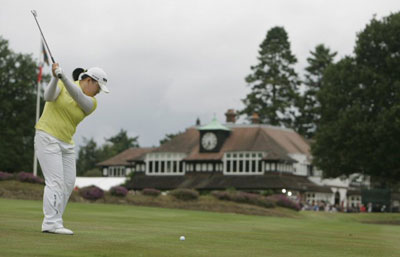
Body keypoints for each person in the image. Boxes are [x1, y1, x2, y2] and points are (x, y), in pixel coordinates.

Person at [34, 63, 109, 235]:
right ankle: (51, 223)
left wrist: (63, 77)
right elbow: (48, 96)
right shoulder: (61, 83)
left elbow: (78, 97)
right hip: (47, 136)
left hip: (67, 143)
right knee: (55, 182)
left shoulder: (92, 103)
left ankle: (56, 220)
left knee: (68, 183)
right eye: (98, 87)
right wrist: (55, 77)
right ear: (89, 80)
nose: (98, 92)